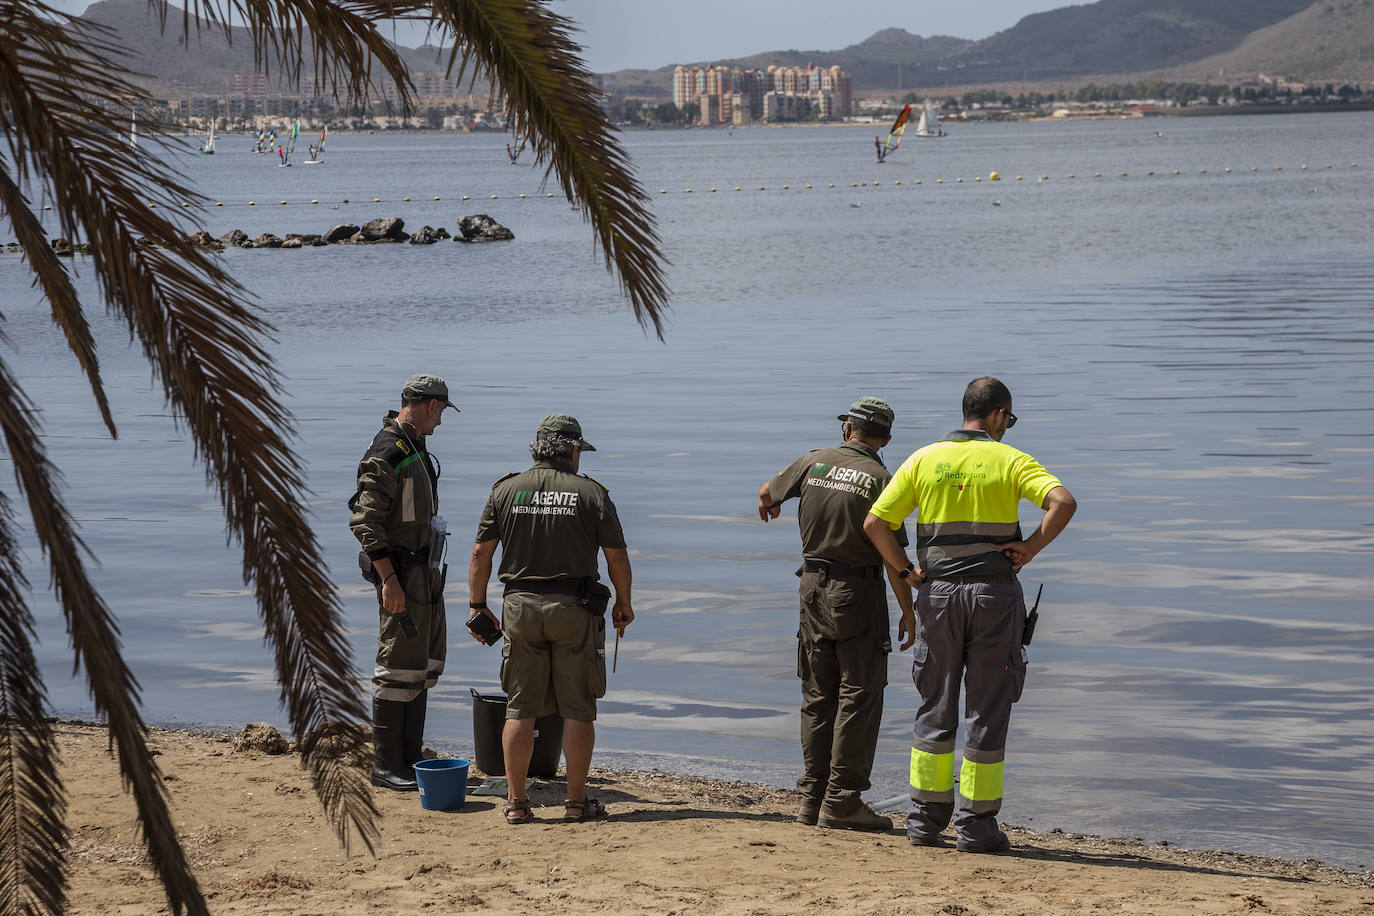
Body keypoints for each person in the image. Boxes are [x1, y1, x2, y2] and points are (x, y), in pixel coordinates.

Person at [863, 377, 1076, 853]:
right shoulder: (1010, 459)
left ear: (966, 412)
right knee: (987, 707)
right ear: (998, 415)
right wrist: (1031, 548)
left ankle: (924, 821)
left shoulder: (923, 458)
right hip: (993, 597)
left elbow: (876, 523)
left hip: (936, 595)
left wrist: (905, 570)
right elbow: (1063, 503)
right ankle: (976, 828)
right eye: (1009, 420)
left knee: (934, 704)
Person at [468, 414, 634, 825]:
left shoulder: (505, 490)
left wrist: (477, 605)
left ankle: (516, 803)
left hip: (519, 609)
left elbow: (480, 554)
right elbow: (616, 557)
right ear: (573, 451)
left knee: (520, 708)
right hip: (574, 611)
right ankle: (576, 803)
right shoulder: (591, 493)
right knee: (578, 709)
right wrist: (624, 604)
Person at [758, 397, 914, 831]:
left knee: (817, 692)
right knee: (859, 695)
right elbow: (890, 552)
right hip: (858, 594)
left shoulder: (814, 461)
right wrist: (908, 611)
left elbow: (766, 492)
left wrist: (771, 504)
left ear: (848, 429)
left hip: (811, 589)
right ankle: (842, 800)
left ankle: (811, 798)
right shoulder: (884, 479)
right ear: (885, 438)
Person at [349, 374, 459, 791]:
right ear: (431, 405)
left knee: (422, 666)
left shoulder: (414, 447)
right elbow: (364, 520)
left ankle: (412, 758)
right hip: (401, 575)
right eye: (442, 412)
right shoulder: (387, 450)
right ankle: (385, 765)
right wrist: (389, 580)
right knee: (395, 667)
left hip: (424, 575)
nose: (442, 422)